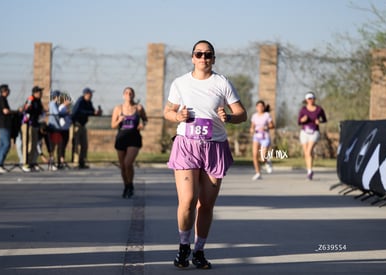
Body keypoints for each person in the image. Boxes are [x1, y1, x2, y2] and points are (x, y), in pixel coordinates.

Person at [163, 40, 247, 269]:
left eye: (208, 54)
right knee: (188, 200)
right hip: (187, 145)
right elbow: (167, 111)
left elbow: (241, 113)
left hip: (214, 147)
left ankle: (199, 250)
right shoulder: (180, 82)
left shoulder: (222, 83)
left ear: (213, 58)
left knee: (206, 205)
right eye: (199, 54)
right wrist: (177, 117)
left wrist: (228, 117)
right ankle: (183, 247)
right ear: (192, 57)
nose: (203, 58)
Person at [111, 87, 148, 198]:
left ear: (133, 95)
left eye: (130, 93)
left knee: (128, 163)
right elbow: (112, 125)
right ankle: (127, 186)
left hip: (134, 138)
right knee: (123, 166)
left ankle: (130, 184)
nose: (128, 95)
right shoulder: (118, 108)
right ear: (123, 95)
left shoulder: (139, 108)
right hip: (121, 138)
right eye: (126, 93)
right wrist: (119, 120)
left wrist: (143, 124)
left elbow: (145, 119)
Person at [297, 91, 327, 180]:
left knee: (309, 151)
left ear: (314, 99)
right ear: (306, 100)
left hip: (314, 132)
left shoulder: (319, 109)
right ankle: (309, 170)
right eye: (309, 98)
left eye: (312, 98)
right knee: (306, 153)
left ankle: (310, 172)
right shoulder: (303, 109)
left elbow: (324, 119)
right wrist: (303, 119)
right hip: (304, 132)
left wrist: (319, 121)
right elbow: (299, 122)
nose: (311, 100)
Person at [71, 87, 102, 169]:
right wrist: (91, 112)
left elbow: (92, 111)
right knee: (76, 144)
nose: (91, 95)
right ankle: (76, 162)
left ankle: (82, 161)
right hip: (76, 125)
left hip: (83, 125)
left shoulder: (89, 102)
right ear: (86, 94)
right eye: (90, 94)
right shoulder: (80, 101)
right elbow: (77, 111)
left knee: (84, 145)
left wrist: (97, 113)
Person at [21, 86, 45, 171]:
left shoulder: (38, 101)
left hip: (35, 124)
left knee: (34, 145)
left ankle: (31, 163)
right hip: (28, 124)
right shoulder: (31, 99)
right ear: (35, 93)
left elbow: (41, 112)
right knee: (28, 144)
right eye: (39, 92)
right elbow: (26, 110)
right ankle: (25, 163)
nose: (41, 94)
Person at [250, 100, 274, 180]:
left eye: (261, 106)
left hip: (265, 137)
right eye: (258, 106)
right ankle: (258, 173)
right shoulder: (254, 116)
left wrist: (266, 127)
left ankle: (267, 162)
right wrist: (252, 129)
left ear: (264, 107)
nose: (260, 108)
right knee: (254, 155)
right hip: (257, 136)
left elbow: (272, 126)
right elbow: (252, 126)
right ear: (256, 107)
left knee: (262, 156)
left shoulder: (267, 115)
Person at [0, 84, 12, 173]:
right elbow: (5, 111)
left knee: (1, 144)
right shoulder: (1, 99)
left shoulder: (4, 99)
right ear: (4, 91)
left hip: (4, 125)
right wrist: (13, 111)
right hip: (3, 125)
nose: (9, 91)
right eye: (7, 90)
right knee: (6, 144)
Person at [57, 92, 73, 169]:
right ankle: (60, 161)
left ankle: (62, 159)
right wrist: (66, 113)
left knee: (64, 145)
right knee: (61, 145)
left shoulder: (67, 108)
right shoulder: (62, 107)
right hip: (62, 129)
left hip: (66, 128)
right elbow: (60, 114)